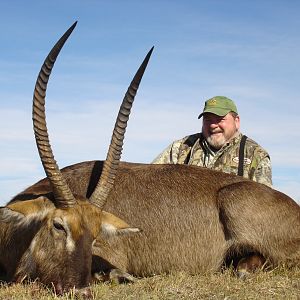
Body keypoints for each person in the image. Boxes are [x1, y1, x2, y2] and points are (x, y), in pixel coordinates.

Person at [152, 96, 272, 187]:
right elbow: (150, 179)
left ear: (237, 121)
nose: (213, 125)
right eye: (208, 120)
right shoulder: (181, 148)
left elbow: (264, 206)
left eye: (220, 119)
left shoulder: (257, 155)